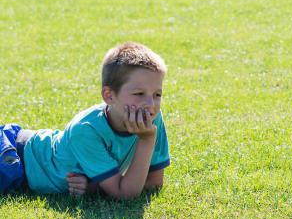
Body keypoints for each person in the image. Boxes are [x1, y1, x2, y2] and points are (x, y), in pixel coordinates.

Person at [0, 42, 170, 199]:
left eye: (157, 95)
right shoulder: (85, 129)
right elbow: (124, 193)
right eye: (139, 94)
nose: (150, 104)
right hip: (14, 155)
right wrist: (147, 140)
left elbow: (153, 184)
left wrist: (95, 186)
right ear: (109, 96)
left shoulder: (152, 118)